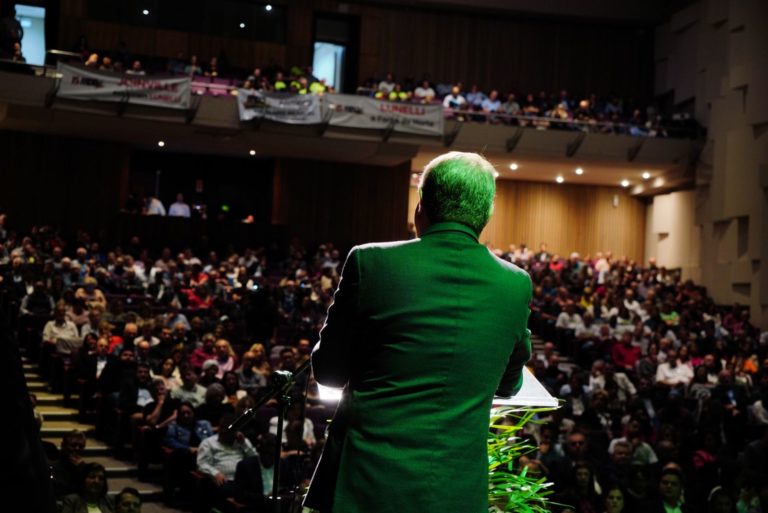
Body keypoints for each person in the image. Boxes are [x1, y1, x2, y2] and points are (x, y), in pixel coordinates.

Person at [304, 151, 532, 513]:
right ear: (486, 215)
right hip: (455, 490)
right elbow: (509, 384)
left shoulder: (370, 262)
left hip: (367, 483)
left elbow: (329, 370)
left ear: (420, 207)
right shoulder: (516, 284)